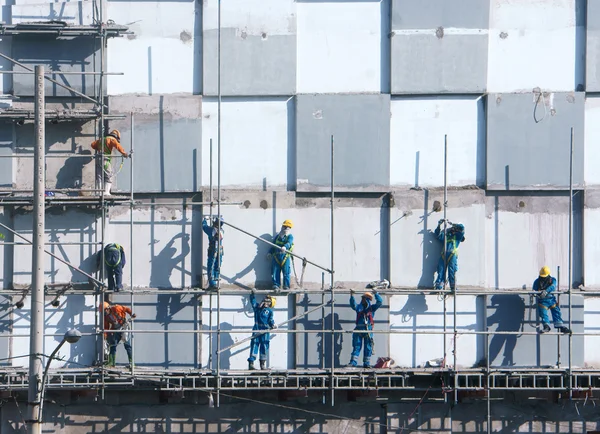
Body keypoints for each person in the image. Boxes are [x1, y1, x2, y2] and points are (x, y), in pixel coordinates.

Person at [347, 289, 383, 368]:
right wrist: (352, 296)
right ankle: (353, 363)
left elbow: (380, 302)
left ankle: (366, 364)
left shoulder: (371, 308)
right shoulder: (359, 308)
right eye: (363, 298)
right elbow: (353, 305)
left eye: (365, 298)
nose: (363, 300)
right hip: (359, 330)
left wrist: (376, 293)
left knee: (368, 347)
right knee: (357, 346)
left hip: (368, 330)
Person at [533, 266, 571, 334]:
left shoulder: (552, 280)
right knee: (543, 314)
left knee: (556, 311)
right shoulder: (537, 281)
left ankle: (560, 326)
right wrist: (535, 294)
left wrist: (546, 291)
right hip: (543, 301)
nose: (543, 278)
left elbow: (553, 286)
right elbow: (534, 290)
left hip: (551, 300)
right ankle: (546, 326)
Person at [91, 129, 129, 196]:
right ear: (116, 136)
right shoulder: (112, 139)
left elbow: (93, 145)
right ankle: (106, 192)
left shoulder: (101, 139)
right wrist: (124, 153)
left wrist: (99, 148)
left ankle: (99, 192)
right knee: (108, 176)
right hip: (105, 160)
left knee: (99, 176)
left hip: (98, 159)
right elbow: (118, 146)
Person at [247, 291, 276, 370]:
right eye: (265, 300)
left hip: (265, 331)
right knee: (254, 345)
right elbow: (252, 301)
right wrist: (252, 294)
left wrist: (272, 325)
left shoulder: (269, 311)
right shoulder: (257, 308)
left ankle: (262, 364)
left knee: (264, 346)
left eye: (268, 301)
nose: (265, 302)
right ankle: (251, 363)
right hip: (256, 329)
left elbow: (270, 320)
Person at [434, 219, 465, 291]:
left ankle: (453, 287)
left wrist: (453, 224)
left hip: (452, 254)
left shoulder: (458, 237)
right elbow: (437, 234)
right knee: (441, 270)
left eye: (454, 229)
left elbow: (462, 228)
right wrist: (439, 226)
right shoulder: (446, 236)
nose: (452, 230)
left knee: (452, 270)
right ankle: (439, 285)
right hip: (443, 254)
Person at [102, 301, 136, 368]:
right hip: (116, 330)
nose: (105, 313)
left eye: (104, 311)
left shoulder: (117, 308)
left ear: (107, 309)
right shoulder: (106, 317)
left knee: (127, 345)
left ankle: (132, 363)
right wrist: (105, 335)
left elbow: (126, 309)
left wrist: (131, 314)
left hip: (124, 327)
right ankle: (112, 363)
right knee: (112, 345)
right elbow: (106, 326)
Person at [269, 220, 294, 290]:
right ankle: (276, 285)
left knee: (286, 272)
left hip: (285, 256)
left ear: (289, 228)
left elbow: (289, 243)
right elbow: (273, 245)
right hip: (276, 256)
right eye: (284, 226)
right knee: (275, 271)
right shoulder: (277, 237)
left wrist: (285, 247)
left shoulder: (290, 236)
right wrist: (270, 252)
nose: (285, 228)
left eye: (287, 227)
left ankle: (286, 285)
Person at [202, 216, 224, 289]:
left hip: (213, 250)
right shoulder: (222, 231)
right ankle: (216, 281)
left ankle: (212, 284)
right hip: (219, 251)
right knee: (217, 266)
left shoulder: (212, 230)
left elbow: (204, 227)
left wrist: (204, 219)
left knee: (211, 267)